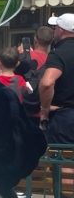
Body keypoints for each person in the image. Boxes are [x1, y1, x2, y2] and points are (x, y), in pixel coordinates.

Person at [40, 13, 74, 141]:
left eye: (55, 28)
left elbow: (47, 83)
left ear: (61, 30)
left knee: (62, 159)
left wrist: (44, 110)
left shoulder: (58, 53)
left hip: (65, 120)